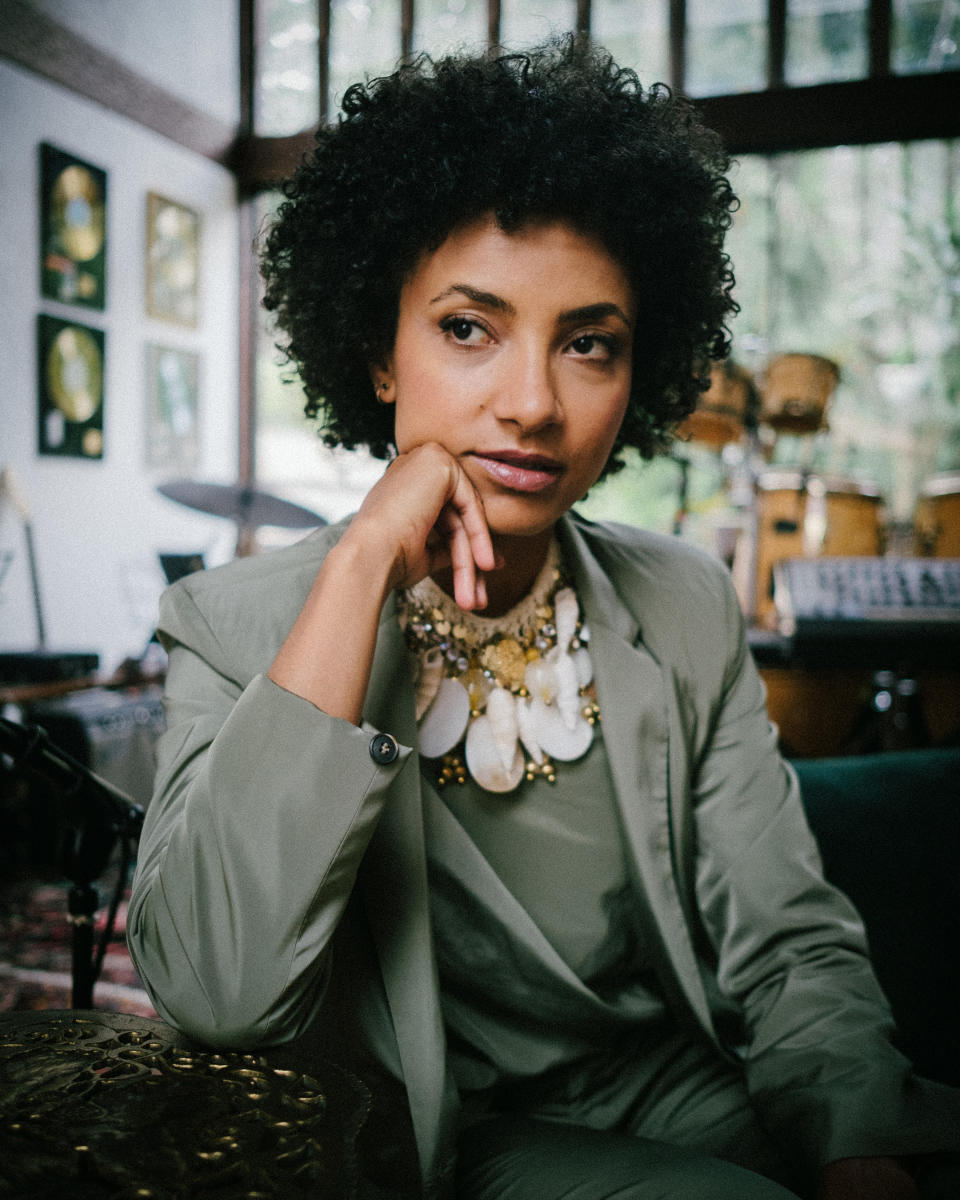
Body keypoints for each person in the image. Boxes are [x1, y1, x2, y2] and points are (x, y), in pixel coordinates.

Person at [127, 37, 960, 1200]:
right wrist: (366, 554)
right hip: (434, 1128)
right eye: (468, 328)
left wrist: (860, 1151)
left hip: (677, 1078)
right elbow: (217, 985)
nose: (531, 405)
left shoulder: (682, 603)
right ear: (377, 348)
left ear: (640, 366)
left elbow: (786, 938)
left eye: (588, 343)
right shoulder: (229, 622)